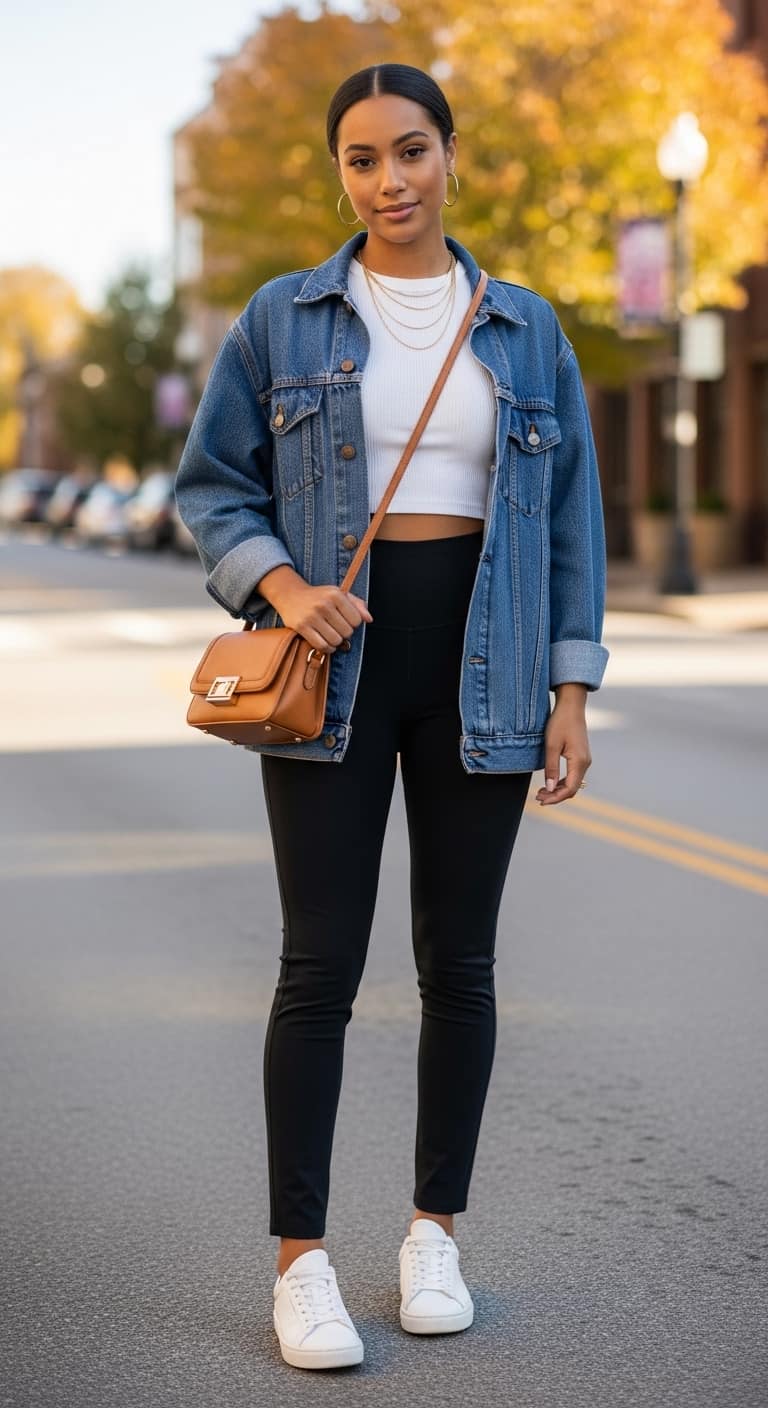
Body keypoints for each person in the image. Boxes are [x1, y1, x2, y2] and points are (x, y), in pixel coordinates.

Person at [174, 62, 610, 1371]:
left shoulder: (527, 329)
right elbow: (211, 492)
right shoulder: (283, 320)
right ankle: (301, 1265)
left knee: (459, 966)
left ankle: (435, 1236)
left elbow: (574, 521)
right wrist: (288, 587)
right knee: (319, 966)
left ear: (450, 154)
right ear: (342, 175)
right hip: (336, 660)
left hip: (489, 660)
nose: (389, 181)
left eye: (410, 151)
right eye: (361, 161)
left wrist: (573, 689)